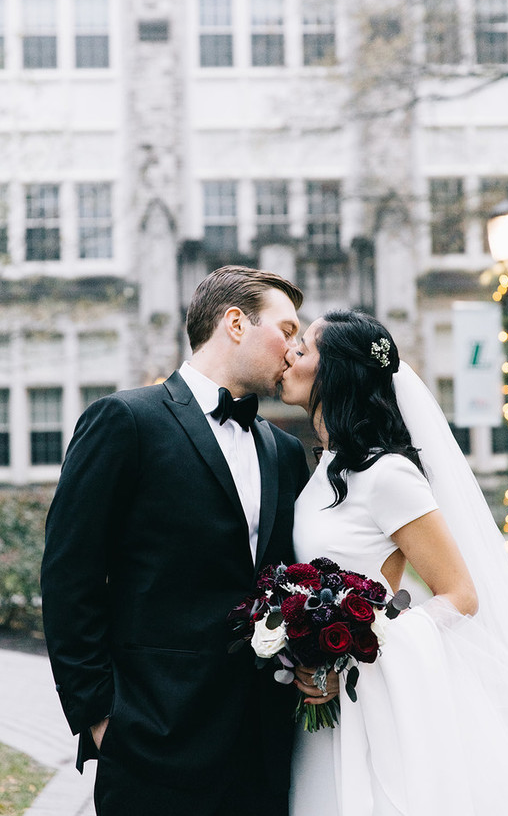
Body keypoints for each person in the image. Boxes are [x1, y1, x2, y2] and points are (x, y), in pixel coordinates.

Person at [41, 265, 310, 816]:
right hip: (152, 739)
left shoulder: (283, 450)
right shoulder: (123, 421)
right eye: (286, 330)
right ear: (235, 323)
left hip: (263, 745)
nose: (294, 348)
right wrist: (100, 721)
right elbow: (70, 577)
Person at [280, 309, 508, 816]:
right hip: (323, 697)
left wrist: (359, 640)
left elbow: (461, 594)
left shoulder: (388, 474)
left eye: (303, 348)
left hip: (372, 696)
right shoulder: (327, 464)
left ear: (335, 374)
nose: (289, 355)